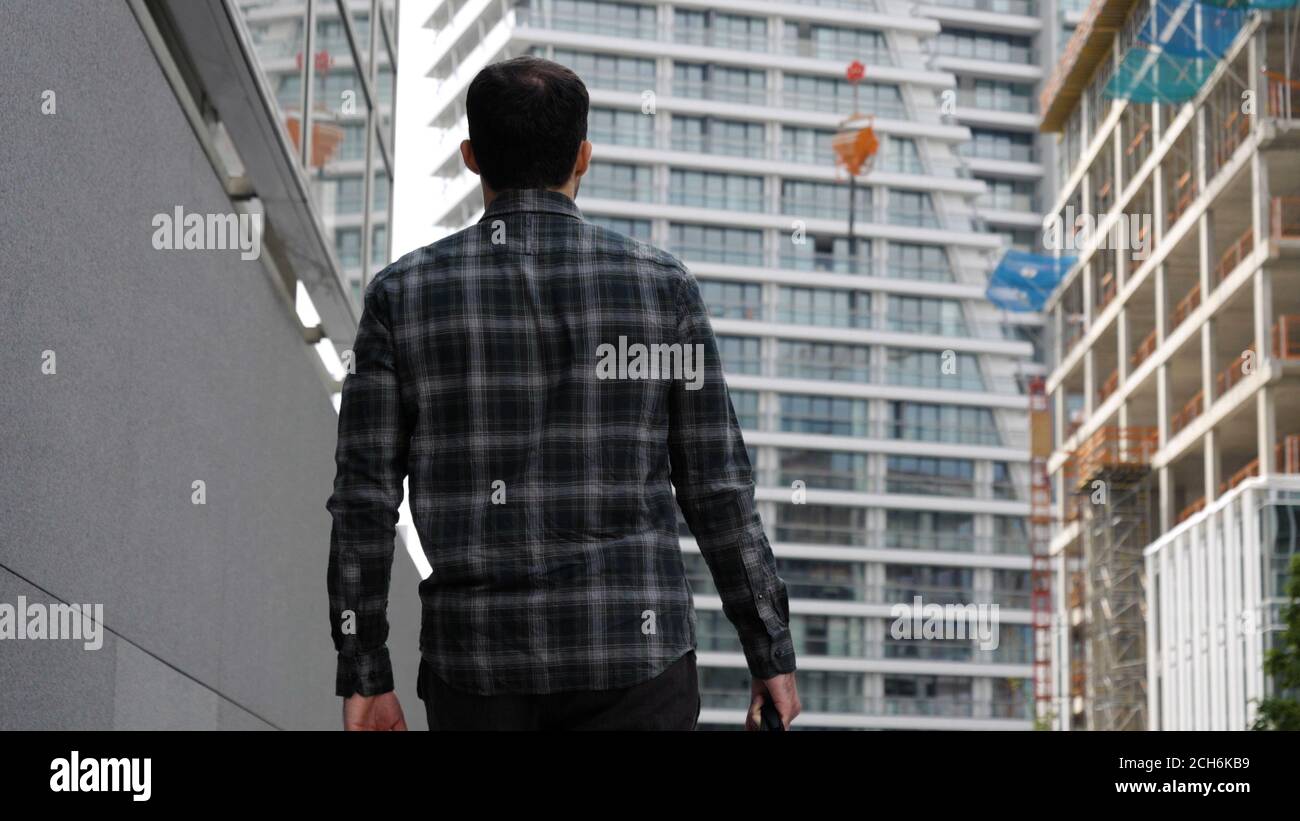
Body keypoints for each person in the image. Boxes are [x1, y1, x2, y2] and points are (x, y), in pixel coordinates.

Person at [326, 55, 799, 731]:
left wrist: (365, 669)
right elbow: (717, 489)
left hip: (478, 667)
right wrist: (769, 648)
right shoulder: (662, 288)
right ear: (584, 156)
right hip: (638, 662)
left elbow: (364, 500)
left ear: (470, 156)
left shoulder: (402, 297)